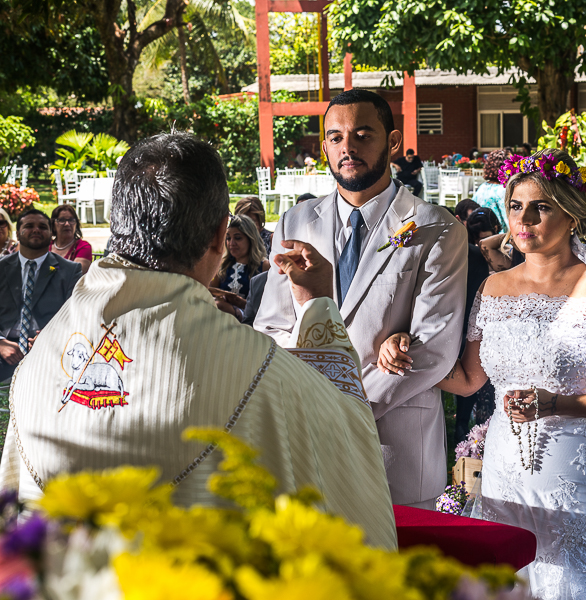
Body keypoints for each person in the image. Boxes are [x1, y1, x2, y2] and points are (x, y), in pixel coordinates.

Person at [0, 133, 396, 549]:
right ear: (219, 234)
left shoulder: (41, 356)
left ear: (117, 221)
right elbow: (348, 426)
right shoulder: (256, 371)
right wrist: (317, 305)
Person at [378, 149, 586, 598]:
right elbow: (469, 379)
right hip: (504, 479)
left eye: (541, 207)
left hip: (581, 484)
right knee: (508, 587)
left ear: (572, 216)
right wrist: (402, 351)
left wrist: (556, 404)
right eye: (515, 206)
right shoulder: (493, 288)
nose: (523, 219)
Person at [254, 89, 468, 509]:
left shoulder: (437, 227)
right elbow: (272, 327)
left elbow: (434, 348)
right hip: (307, 437)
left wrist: (346, 409)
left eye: (362, 135)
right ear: (324, 147)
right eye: (336, 137)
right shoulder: (296, 221)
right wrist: (310, 400)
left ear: (392, 141)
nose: (347, 148)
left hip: (395, 446)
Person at [0, 209, 82, 382]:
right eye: (29, 226)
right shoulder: (1, 267)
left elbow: (76, 315)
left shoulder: (70, 271)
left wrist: (50, 336)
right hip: (4, 346)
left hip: (51, 348)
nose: (36, 230)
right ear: (18, 233)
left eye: (43, 227)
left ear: (51, 233)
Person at [452, 207, 501, 443]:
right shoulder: (475, 254)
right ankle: (465, 427)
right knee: (471, 382)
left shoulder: (490, 254)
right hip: (473, 322)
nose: (482, 242)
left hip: (482, 324)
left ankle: (473, 428)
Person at [210, 215, 270, 320]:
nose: (231, 243)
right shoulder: (223, 264)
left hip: (252, 318)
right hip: (221, 314)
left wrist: (243, 303)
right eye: (228, 238)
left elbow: (270, 304)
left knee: (220, 307)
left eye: (238, 238)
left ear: (251, 239)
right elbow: (210, 292)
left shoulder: (264, 266)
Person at [472, 150, 509, 232]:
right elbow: (508, 219)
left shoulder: (482, 187)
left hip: (481, 233)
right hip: (500, 236)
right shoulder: (502, 191)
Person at [50, 204, 93, 275]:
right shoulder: (45, 246)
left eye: (71, 220)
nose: (67, 224)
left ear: (76, 224)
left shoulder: (83, 247)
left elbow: (75, 273)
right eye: (62, 220)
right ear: (53, 225)